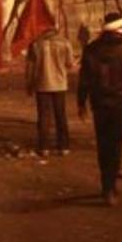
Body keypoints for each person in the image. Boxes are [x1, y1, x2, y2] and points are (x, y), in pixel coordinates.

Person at [78, 12, 122, 206]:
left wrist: (82, 103)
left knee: (103, 144)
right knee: (116, 144)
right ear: (120, 29)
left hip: (99, 104)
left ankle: (107, 186)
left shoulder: (91, 49)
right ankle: (111, 185)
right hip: (120, 105)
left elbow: (84, 80)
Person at [26, 27, 74, 156]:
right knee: (61, 116)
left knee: (44, 117)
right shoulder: (65, 43)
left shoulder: (36, 44)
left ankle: (44, 147)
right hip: (59, 85)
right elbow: (70, 64)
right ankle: (63, 147)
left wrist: (29, 85)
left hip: (42, 84)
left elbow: (30, 67)